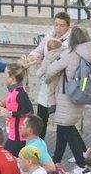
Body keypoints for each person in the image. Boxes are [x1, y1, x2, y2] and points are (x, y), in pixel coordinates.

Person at [41, 25, 91, 174]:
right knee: (63, 126)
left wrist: (47, 77)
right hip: (79, 95)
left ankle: (82, 165)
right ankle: (56, 159)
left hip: (66, 96)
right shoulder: (89, 52)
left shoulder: (70, 54)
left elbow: (51, 70)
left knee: (68, 129)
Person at [23, 11, 73, 139]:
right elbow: (37, 51)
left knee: (64, 123)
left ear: (68, 26)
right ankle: (39, 145)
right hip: (46, 82)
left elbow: (63, 60)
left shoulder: (70, 40)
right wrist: (35, 57)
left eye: (62, 25)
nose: (58, 28)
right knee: (41, 117)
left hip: (60, 84)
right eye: (56, 25)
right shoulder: (49, 35)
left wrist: (45, 61)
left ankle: (79, 152)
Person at [1, 64, 33, 156]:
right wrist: (4, 104)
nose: (4, 77)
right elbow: (15, 106)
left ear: (13, 78)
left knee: (6, 158)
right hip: (13, 135)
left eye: (6, 75)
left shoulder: (20, 93)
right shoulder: (12, 91)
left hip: (19, 136)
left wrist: (9, 113)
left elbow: (28, 112)